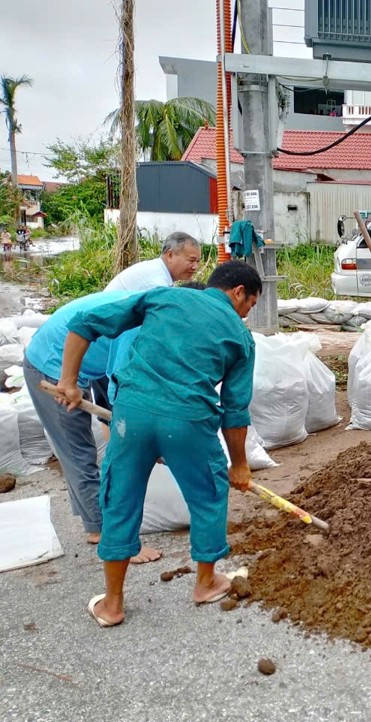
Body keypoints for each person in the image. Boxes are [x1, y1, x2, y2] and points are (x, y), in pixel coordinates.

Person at [54, 261, 260, 627]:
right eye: (250, 305)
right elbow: (234, 410)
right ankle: (206, 582)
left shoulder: (163, 297)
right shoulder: (241, 338)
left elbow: (84, 321)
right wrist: (239, 465)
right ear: (239, 292)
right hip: (189, 421)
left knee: (120, 498)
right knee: (209, 494)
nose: (246, 315)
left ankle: (113, 605)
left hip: (131, 414)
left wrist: (69, 381)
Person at [22, 290, 162, 564]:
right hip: (53, 366)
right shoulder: (137, 326)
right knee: (78, 453)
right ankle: (106, 534)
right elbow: (119, 385)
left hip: (91, 358)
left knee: (93, 443)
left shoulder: (152, 310)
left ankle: (93, 520)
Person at [105, 231, 201, 291]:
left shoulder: (159, 272)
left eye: (197, 262)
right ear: (170, 255)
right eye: (191, 260)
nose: (195, 267)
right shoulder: (155, 283)